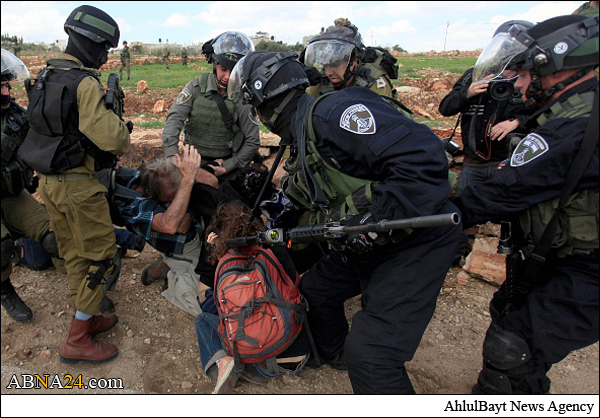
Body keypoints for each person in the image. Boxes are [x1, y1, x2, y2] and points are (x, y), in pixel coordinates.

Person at [227, 51, 462, 394]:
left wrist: (371, 218)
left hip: (414, 240)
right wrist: (260, 226)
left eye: (254, 107)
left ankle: (362, 362)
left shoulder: (333, 113)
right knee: (317, 290)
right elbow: (306, 192)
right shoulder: (302, 135)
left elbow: (424, 160)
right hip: (367, 242)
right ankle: (337, 354)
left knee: (372, 357)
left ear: (265, 100)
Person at [452, 15, 599, 395]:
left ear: (555, 69)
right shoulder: (569, 111)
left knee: (514, 344)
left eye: (523, 74)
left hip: (589, 268)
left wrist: (419, 217)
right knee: (509, 313)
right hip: (559, 254)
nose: (517, 85)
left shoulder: (574, 126)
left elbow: (498, 191)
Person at [17, 5, 131, 365]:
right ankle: (77, 338)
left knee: (73, 254)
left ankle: (89, 314)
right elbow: (114, 140)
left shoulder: (48, 74)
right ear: (92, 44)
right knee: (102, 257)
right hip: (79, 186)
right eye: (103, 49)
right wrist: (115, 114)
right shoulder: (83, 82)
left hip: (50, 184)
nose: (104, 56)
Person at [195, 201, 311, 394]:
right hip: (296, 351)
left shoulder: (224, 263)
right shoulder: (274, 249)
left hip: (262, 363)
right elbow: (294, 284)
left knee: (202, 320)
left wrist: (212, 254)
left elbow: (209, 306)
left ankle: (224, 364)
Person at [439, 20, 536, 196]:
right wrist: (466, 93)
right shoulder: (475, 75)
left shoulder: (530, 79)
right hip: (473, 163)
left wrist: (516, 122)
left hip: (509, 162)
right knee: (463, 212)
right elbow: (445, 108)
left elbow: (545, 114)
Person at [1, 49, 60, 322]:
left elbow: (42, 140)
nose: (6, 90)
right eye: (1, 85)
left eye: (7, 84)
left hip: (12, 195)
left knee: (54, 235)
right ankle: (4, 290)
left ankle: (84, 290)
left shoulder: (14, 116)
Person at [162, 31, 260, 182]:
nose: (227, 77)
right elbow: (174, 120)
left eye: (233, 71)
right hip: (193, 164)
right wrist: (172, 156)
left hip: (225, 166)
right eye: (224, 70)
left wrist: (228, 165)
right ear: (215, 64)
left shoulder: (241, 97)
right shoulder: (195, 88)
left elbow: (252, 140)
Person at [301, 18, 398, 99]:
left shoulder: (373, 81)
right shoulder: (323, 81)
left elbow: (381, 117)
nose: (329, 72)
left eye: (335, 65)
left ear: (354, 61)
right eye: (326, 65)